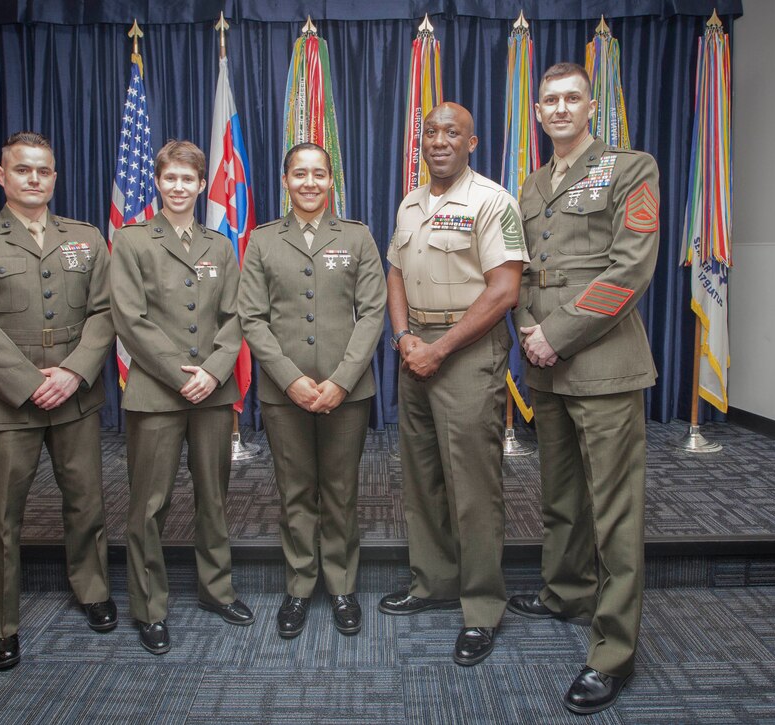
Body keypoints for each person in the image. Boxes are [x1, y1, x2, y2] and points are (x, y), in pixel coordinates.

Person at [510, 62, 660, 714]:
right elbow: (522, 272)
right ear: (538, 111)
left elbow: (630, 269)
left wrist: (557, 333)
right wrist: (525, 328)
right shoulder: (534, 183)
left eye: (572, 97)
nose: (561, 108)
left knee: (615, 514)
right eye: (550, 99)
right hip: (546, 367)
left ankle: (612, 651)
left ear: (590, 105)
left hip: (602, 367)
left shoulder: (630, 168)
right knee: (561, 497)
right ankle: (564, 590)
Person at [0, 131, 116, 670]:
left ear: (55, 177)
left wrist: (73, 373)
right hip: (6, 401)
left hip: (74, 394)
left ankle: (92, 590)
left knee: (86, 503)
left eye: (43, 171)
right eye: (22, 170)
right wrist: (27, 381)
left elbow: (106, 313)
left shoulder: (85, 237)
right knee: (1, 516)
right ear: (2, 175)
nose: (34, 179)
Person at [379, 103, 528, 666]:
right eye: (431, 132)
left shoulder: (492, 201)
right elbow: (395, 271)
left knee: (473, 484)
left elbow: (503, 292)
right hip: (415, 349)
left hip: (465, 353)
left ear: (473, 142)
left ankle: (483, 607)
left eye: (453, 133)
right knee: (422, 478)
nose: (440, 140)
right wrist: (403, 339)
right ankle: (433, 582)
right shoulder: (410, 202)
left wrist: (438, 349)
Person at [110, 140, 253, 656]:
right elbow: (128, 317)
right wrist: (179, 374)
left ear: (199, 185)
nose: (178, 187)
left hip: (213, 393)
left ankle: (217, 590)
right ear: (157, 182)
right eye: (169, 178)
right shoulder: (131, 241)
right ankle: (150, 608)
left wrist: (213, 373)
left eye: (187, 179)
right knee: (150, 503)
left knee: (213, 497)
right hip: (156, 392)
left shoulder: (220, 244)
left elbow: (236, 316)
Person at [238, 143, 386, 639]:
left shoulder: (358, 237)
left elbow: (372, 314)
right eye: (299, 174)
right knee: (295, 492)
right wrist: (291, 378)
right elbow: (252, 319)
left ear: (330, 181)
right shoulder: (261, 241)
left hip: (348, 392)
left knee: (341, 492)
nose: (309, 183)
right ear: (285, 181)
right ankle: (300, 586)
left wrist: (342, 380)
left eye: (318, 174)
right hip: (285, 393)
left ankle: (342, 585)